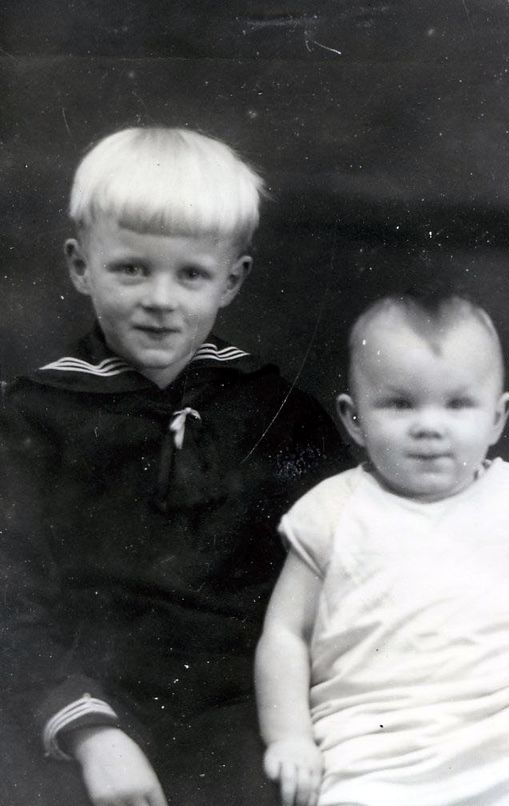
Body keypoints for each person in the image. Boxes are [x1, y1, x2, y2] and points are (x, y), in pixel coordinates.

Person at [0, 127, 348, 806]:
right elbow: (11, 599)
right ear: (80, 266)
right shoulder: (29, 420)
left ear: (232, 280)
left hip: (243, 711)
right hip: (80, 701)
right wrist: (91, 733)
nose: (160, 298)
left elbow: (348, 567)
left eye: (191, 274)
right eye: (132, 269)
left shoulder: (279, 413)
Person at [255, 292, 509, 806]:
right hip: (376, 758)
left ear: (498, 417)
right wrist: (290, 737)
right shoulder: (334, 511)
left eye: (458, 404)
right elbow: (285, 634)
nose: (430, 426)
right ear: (354, 418)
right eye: (400, 404)